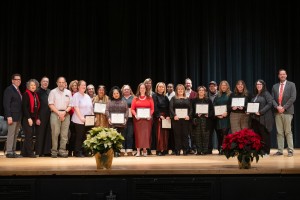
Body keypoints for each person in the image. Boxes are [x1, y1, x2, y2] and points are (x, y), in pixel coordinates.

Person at [272, 69, 297, 157]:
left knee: (288, 131)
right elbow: (272, 99)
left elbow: (293, 97)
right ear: (278, 76)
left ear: (286, 75)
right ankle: (280, 150)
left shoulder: (292, 85)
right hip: (277, 111)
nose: (282, 76)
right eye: (280, 74)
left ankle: (290, 150)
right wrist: (277, 107)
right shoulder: (275, 86)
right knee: (279, 132)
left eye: (284, 74)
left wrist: (284, 107)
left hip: (287, 111)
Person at [48, 77, 72, 158]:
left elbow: (71, 105)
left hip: (66, 114)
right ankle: (54, 151)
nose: (61, 84)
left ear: (65, 83)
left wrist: (64, 113)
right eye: (59, 82)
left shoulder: (68, 92)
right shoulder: (53, 92)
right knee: (55, 133)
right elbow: (50, 104)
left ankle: (62, 150)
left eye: (63, 82)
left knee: (64, 134)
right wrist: (59, 113)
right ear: (57, 83)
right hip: (55, 113)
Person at [250, 79, 274, 155]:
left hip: (264, 118)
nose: (258, 86)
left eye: (260, 84)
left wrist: (261, 112)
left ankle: (266, 151)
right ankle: (259, 150)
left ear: (263, 85)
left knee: (265, 135)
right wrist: (249, 111)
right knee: (257, 135)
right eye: (257, 84)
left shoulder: (266, 93)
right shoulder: (255, 95)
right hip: (255, 119)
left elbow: (270, 103)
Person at [71, 80, 94, 157]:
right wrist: (81, 117)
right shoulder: (76, 95)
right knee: (79, 136)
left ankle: (85, 151)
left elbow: (90, 108)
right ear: (78, 86)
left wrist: (93, 117)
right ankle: (77, 152)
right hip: (78, 120)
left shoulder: (87, 96)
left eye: (85, 85)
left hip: (87, 120)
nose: (84, 86)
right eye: (82, 85)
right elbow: (76, 107)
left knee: (85, 136)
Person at [131, 83, 154, 157]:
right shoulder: (135, 98)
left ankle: (144, 150)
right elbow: (132, 109)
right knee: (138, 135)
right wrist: (135, 115)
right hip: (138, 119)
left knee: (146, 135)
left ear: (146, 89)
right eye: (141, 88)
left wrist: (150, 115)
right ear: (139, 89)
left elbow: (152, 109)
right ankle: (138, 150)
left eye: (144, 88)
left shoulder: (149, 98)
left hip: (147, 119)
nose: (142, 89)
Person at [3, 74, 23, 158]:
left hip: (18, 116)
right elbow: (6, 104)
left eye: (19, 79)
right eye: (16, 79)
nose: (18, 81)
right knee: (11, 134)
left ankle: (13, 151)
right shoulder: (9, 89)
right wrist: (8, 116)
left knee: (15, 135)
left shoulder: (18, 90)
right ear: (12, 80)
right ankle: (9, 152)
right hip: (12, 116)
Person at [169, 84, 192, 155]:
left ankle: (185, 149)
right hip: (176, 119)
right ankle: (177, 149)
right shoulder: (173, 98)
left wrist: (189, 116)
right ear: (176, 90)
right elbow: (170, 108)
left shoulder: (187, 98)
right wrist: (174, 115)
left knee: (185, 134)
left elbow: (191, 109)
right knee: (177, 135)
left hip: (185, 120)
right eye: (179, 89)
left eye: (182, 89)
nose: (180, 90)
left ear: (184, 90)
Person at [106, 86, 128, 157]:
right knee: (113, 138)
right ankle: (113, 151)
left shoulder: (124, 102)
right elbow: (107, 110)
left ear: (119, 94)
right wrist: (108, 118)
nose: (116, 95)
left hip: (121, 124)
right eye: (114, 93)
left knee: (120, 138)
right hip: (112, 124)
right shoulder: (109, 102)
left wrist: (125, 119)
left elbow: (127, 111)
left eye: (117, 93)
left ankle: (118, 151)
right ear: (112, 94)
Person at [21, 79, 41, 158]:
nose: (33, 86)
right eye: (31, 85)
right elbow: (24, 108)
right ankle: (30, 153)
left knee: (29, 135)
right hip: (27, 118)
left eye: (34, 85)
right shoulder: (26, 94)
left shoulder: (35, 94)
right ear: (28, 86)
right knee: (29, 135)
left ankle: (24, 152)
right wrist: (29, 118)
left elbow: (37, 108)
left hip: (33, 118)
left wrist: (37, 118)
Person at [192, 86, 214, 155]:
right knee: (198, 135)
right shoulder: (194, 100)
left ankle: (205, 150)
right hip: (197, 120)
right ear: (198, 92)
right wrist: (196, 114)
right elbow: (192, 111)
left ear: (205, 92)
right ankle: (199, 150)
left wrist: (208, 115)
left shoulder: (208, 100)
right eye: (200, 90)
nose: (201, 91)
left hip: (206, 120)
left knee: (205, 136)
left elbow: (212, 110)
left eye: (202, 90)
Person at [35, 77, 52, 157]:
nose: (45, 83)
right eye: (44, 81)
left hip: (49, 115)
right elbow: (35, 106)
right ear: (40, 82)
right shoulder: (37, 91)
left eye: (47, 81)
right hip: (40, 116)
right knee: (40, 134)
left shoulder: (49, 91)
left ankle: (47, 151)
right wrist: (37, 117)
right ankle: (39, 151)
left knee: (48, 134)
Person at [152, 82, 170, 156]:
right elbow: (155, 107)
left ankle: (164, 149)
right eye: (160, 87)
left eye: (162, 87)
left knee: (165, 134)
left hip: (165, 117)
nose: (161, 88)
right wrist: (159, 115)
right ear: (157, 88)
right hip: (158, 117)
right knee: (159, 134)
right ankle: (159, 150)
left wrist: (168, 115)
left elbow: (168, 107)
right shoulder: (154, 96)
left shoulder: (165, 97)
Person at [214, 80, 231, 154]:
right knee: (220, 133)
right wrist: (217, 114)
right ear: (220, 87)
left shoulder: (230, 95)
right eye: (222, 85)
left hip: (227, 117)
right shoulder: (217, 95)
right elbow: (214, 105)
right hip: (219, 117)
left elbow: (231, 105)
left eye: (225, 85)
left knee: (225, 133)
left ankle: (224, 148)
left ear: (227, 86)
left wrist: (227, 112)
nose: (223, 86)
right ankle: (220, 147)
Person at [121, 85, 135, 156]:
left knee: (130, 135)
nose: (126, 90)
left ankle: (129, 150)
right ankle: (122, 150)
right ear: (122, 90)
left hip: (131, 119)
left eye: (128, 89)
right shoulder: (120, 98)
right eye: (125, 89)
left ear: (130, 90)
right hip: (122, 119)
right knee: (122, 135)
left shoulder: (134, 98)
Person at [144, 78, 155, 155]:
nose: (148, 84)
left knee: (149, 133)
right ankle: (142, 148)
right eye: (147, 83)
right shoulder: (141, 93)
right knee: (142, 133)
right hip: (141, 116)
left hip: (150, 116)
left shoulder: (153, 94)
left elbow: (153, 107)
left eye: (150, 83)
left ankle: (148, 148)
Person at [67, 80, 78, 156]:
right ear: (71, 87)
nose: (74, 87)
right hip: (71, 116)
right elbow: (69, 105)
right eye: (73, 85)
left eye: (76, 85)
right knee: (72, 134)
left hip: (79, 117)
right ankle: (70, 150)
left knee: (78, 134)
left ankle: (76, 150)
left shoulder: (80, 94)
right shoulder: (69, 94)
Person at [207, 81, 218, 154]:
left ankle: (221, 148)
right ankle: (209, 149)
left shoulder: (219, 94)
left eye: (213, 86)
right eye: (210, 86)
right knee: (209, 134)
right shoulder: (206, 95)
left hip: (218, 117)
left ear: (216, 87)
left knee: (220, 133)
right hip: (209, 118)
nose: (212, 87)